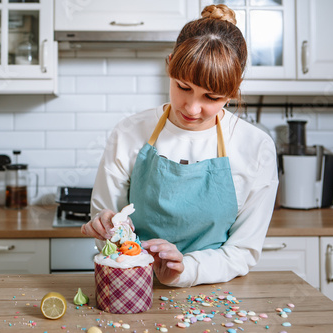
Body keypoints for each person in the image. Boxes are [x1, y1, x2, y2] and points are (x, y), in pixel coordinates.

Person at [81, 4, 279, 287]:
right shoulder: (128, 132)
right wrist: (106, 227)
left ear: (233, 91)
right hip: (133, 284)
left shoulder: (255, 147)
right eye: (183, 87)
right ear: (170, 64)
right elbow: (107, 224)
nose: (192, 108)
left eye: (211, 97)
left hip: (216, 292)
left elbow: (243, 250)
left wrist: (185, 269)